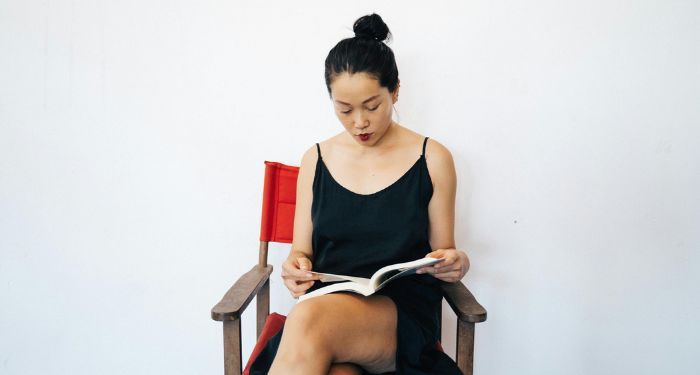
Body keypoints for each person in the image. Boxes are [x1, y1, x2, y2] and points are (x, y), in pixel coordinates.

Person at [250, 13, 470, 375]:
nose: (360, 122)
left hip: (398, 317)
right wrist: (296, 269)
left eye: (372, 106)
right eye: (345, 109)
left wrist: (455, 262)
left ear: (395, 90)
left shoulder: (432, 158)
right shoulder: (316, 159)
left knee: (309, 320)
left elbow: (441, 255)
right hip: (328, 306)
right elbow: (300, 253)